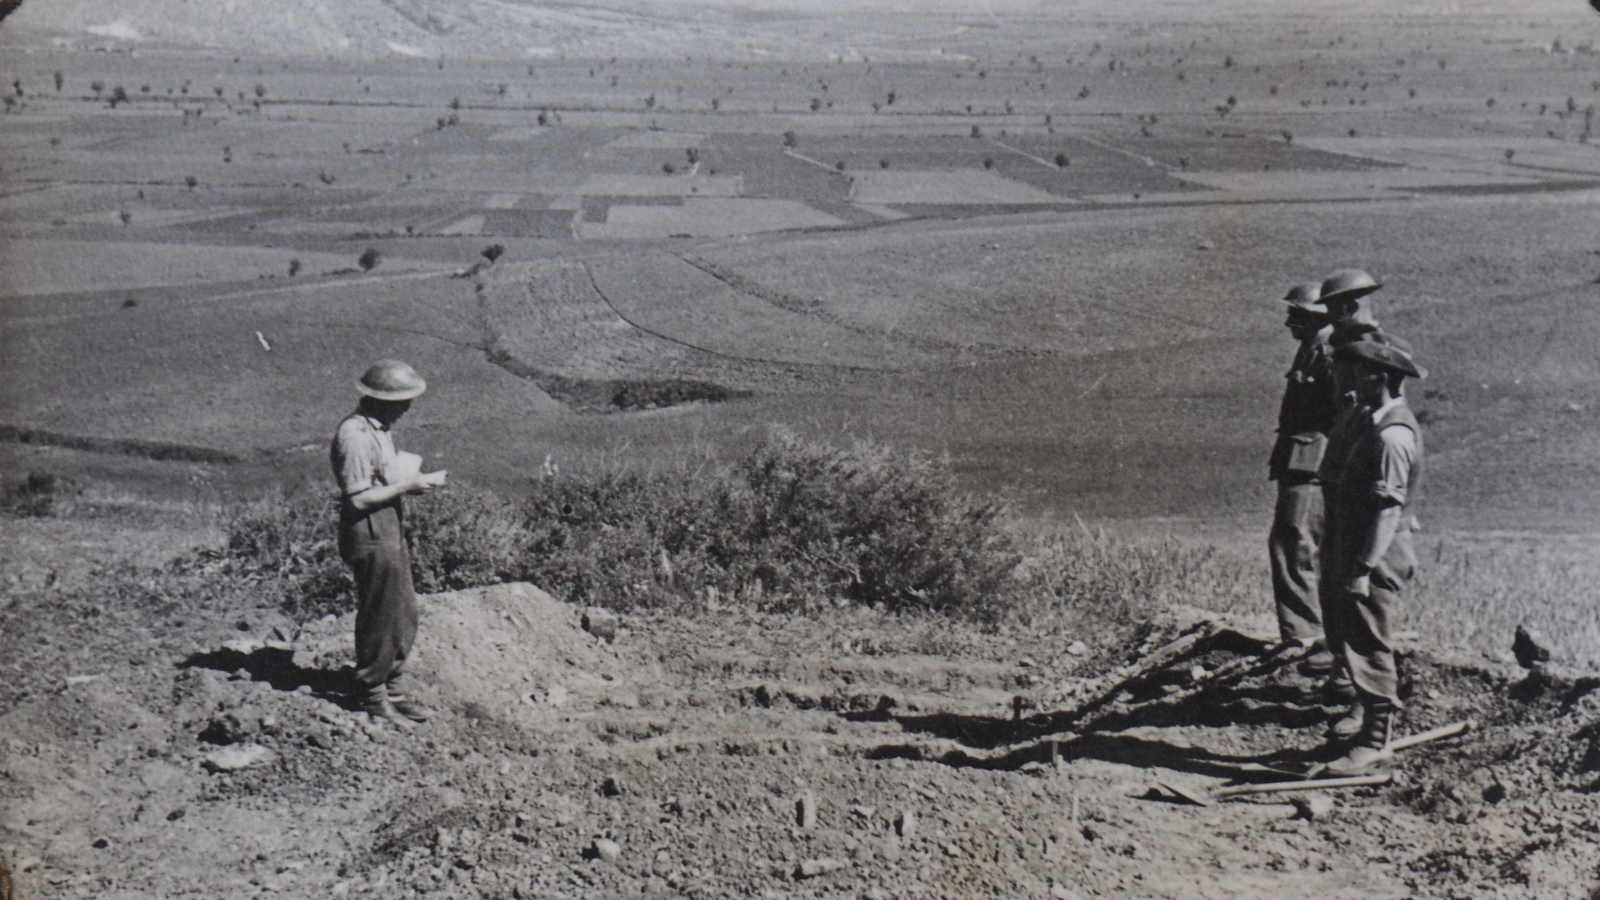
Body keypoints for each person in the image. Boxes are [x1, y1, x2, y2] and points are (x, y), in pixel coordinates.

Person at [1318, 338, 1427, 775]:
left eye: (1349, 371)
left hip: (1375, 554)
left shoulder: (1393, 436)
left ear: (1377, 377)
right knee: (1348, 634)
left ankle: (1375, 742)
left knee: (1369, 643)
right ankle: (1365, 716)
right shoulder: (1368, 419)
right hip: (1353, 547)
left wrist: (1362, 569)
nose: (1341, 378)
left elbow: (1387, 510)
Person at [330, 360, 448, 726]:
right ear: (380, 399)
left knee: (402, 612)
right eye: (403, 400)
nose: (409, 407)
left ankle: (392, 688)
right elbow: (357, 499)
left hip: (387, 526)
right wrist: (408, 486)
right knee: (380, 615)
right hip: (369, 531)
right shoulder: (355, 435)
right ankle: (371, 693)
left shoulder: (378, 428)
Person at [1266, 282, 1340, 671]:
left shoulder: (1326, 352)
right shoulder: (1313, 347)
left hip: (1314, 463)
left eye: (1296, 314)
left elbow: (1338, 415)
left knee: (1295, 541)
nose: (1288, 322)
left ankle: (1306, 633)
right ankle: (1309, 630)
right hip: (1302, 459)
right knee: (1294, 541)